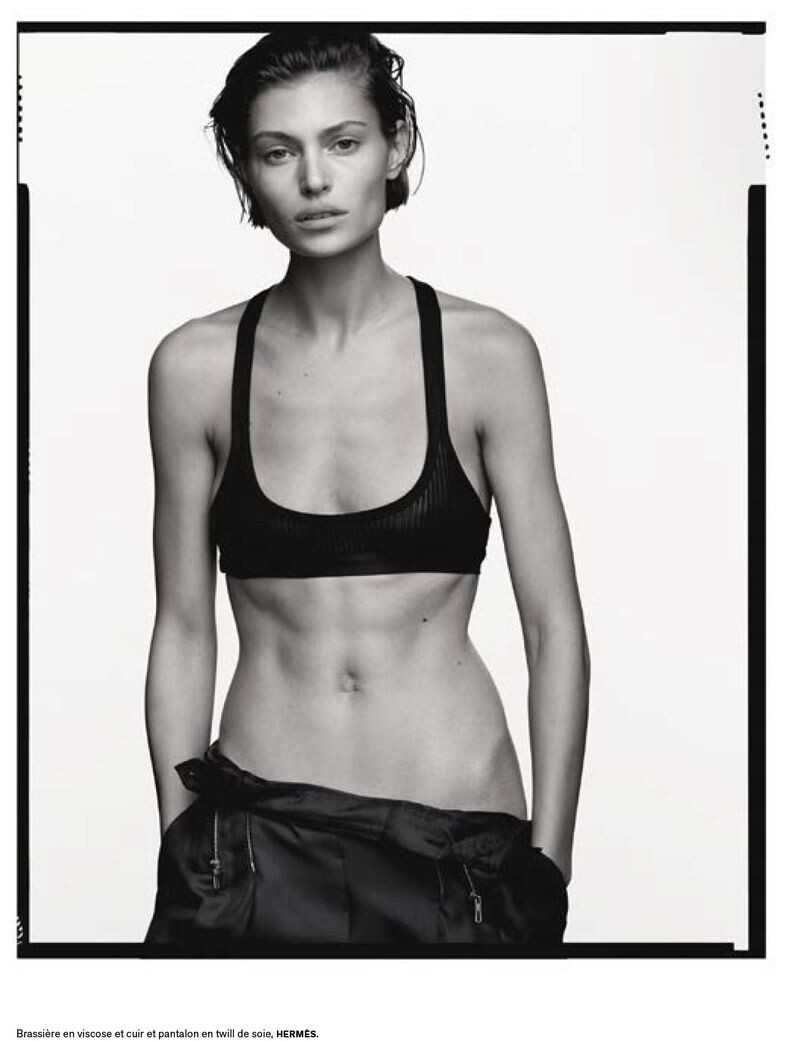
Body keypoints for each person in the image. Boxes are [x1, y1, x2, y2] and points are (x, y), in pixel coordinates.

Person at [143, 29, 590, 948]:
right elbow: (183, 625)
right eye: (279, 151)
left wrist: (552, 859)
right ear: (247, 172)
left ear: (396, 148)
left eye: (343, 142)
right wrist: (182, 841)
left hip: (456, 842)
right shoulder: (193, 368)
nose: (314, 179)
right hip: (256, 837)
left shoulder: (488, 355)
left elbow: (554, 628)